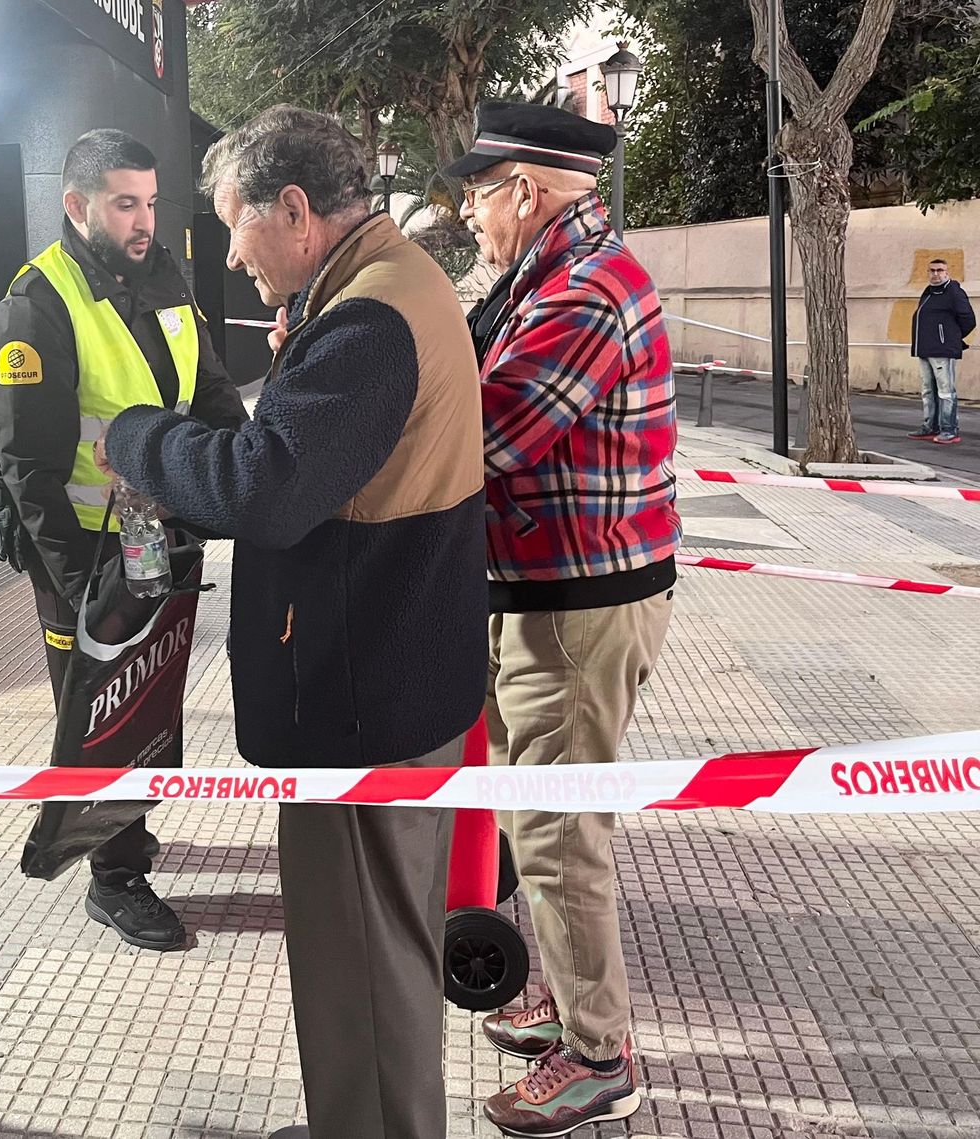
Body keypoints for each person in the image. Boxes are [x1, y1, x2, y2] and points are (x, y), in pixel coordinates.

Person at [97, 104, 487, 1139]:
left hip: (366, 697)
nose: (229, 250)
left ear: (297, 209)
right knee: (369, 947)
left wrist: (139, 440)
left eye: (237, 223)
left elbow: (266, 491)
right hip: (395, 678)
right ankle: (354, 1117)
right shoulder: (385, 283)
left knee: (363, 954)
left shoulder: (368, 319)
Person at [450, 101, 681, 1138]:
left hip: (572, 610)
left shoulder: (583, 290)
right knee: (529, 815)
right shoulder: (540, 278)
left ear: (525, 190)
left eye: (475, 195)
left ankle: (599, 1054)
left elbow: (490, 435)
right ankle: (567, 1004)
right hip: (541, 596)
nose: (468, 217)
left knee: (556, 836)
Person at [0, 128, 247, 951]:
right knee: (99, 707)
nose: (144, 220)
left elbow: (206, 387)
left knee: (151, 697)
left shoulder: (162, 273)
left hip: (161, 539)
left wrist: (238, 478)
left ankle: (129, 829)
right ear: (76, 205)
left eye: (152, 202)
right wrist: (80, 590)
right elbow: (26, 469)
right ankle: (115, 875)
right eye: (125, 204)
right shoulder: (36, 306)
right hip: (85, 555)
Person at [909, 256, 974, 445]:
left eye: (940, 270)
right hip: (924, 348)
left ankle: (949, 430)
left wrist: (950, 338)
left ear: (947, 272)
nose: (936, 274)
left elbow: (968, 319)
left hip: (942, 350)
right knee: (928, 391)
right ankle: (930, 426)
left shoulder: (953, 292)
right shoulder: (929, 292)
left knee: (946, 392)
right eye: (932, 270)